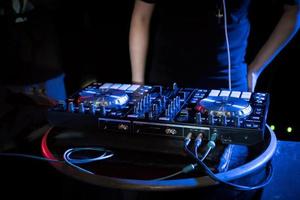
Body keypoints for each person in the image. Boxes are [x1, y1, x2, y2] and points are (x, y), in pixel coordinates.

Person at [129, 0, 300, 199]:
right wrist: (137, 85)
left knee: (227, 187)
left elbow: (294, 11)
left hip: (229, 92)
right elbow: (141, 15)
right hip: (167, 88)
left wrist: (255, 70)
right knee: (159, 182)